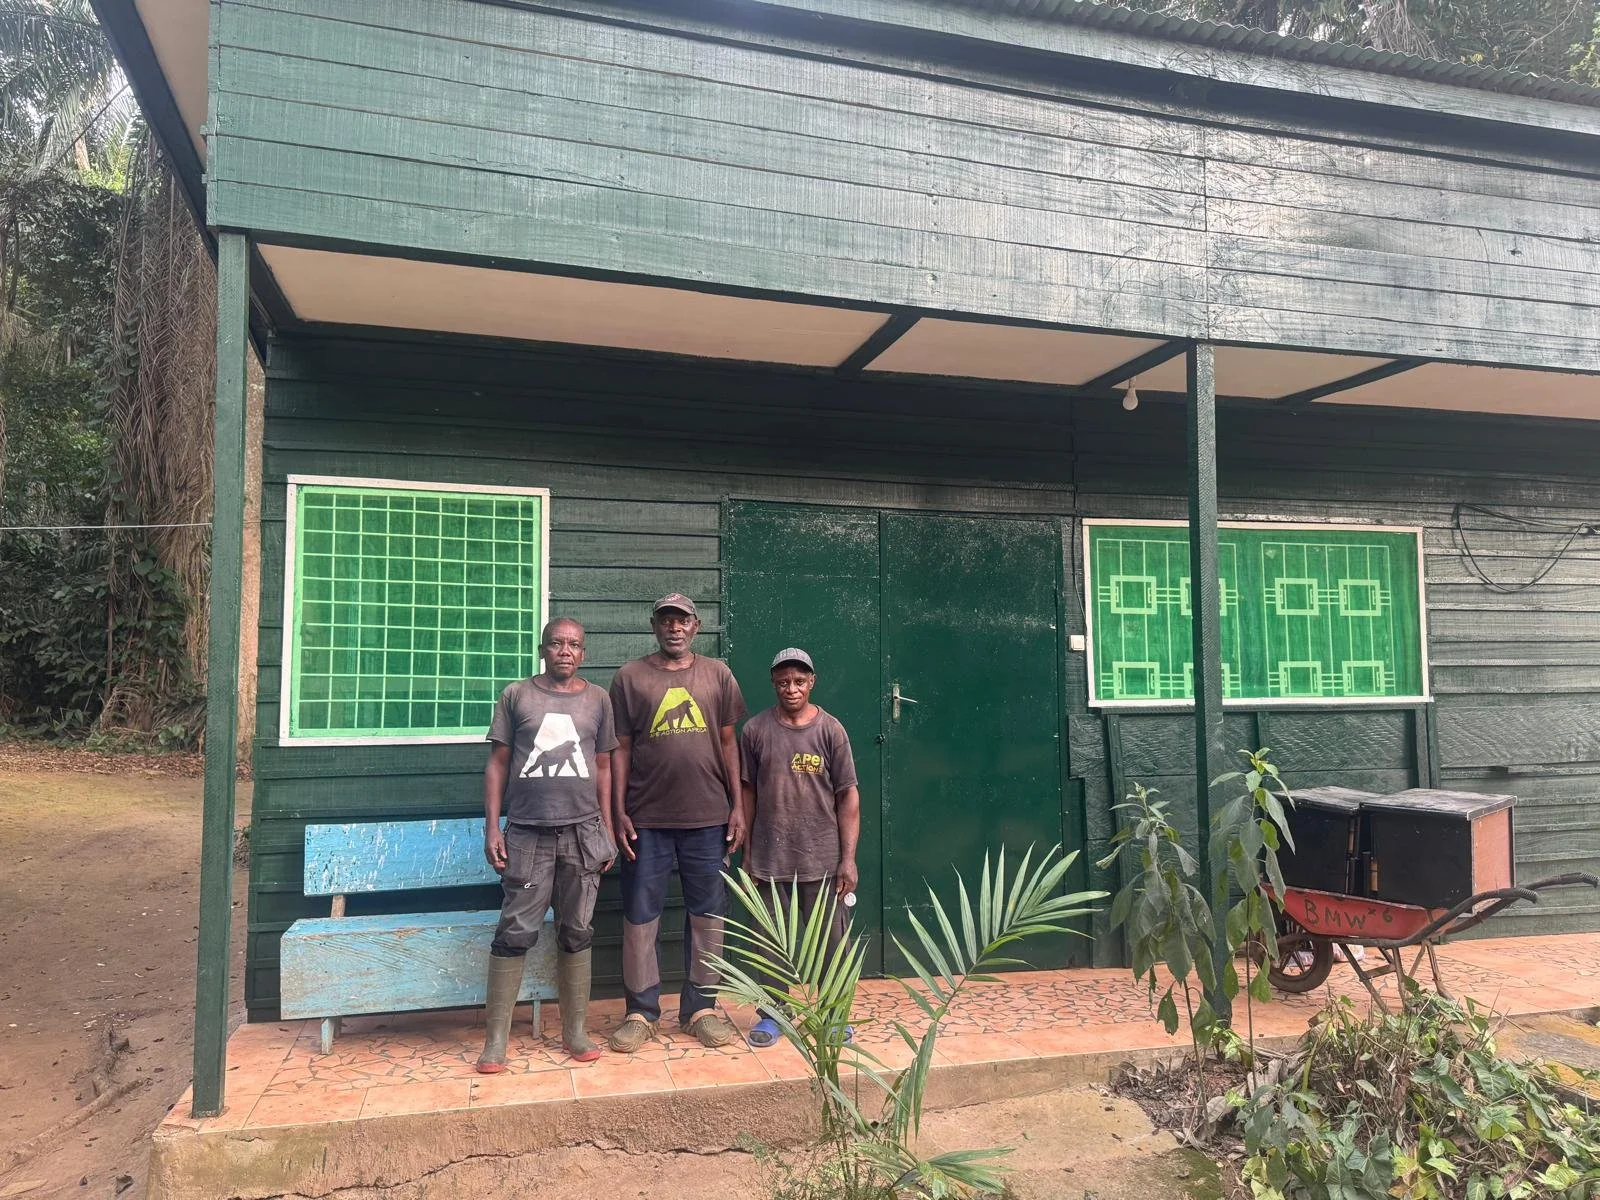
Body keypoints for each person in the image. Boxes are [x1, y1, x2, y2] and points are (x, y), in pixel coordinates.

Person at [607, 594, 748, 1051]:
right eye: (666, 620)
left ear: (696, 626)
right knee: (640, 916)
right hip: (646, 817)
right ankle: (641, 1011)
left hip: (708, 816)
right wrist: (619, 810)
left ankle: (701, 1008)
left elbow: (729, 743)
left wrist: (738, 805)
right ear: (654, 625)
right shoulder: (630, 677)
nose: (674, 628)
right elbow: (620, 749)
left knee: (708, 915)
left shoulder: (717, 674)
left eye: (682, 621)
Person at [477, 617, 618, 1073]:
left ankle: (575, 1031)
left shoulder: (598, 699)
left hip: (583, 834)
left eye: (574, 644)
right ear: (542, 649)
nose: (565, 651)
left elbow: (604, 768)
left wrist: (609, 829)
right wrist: (492, 828)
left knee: (577, 929)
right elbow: (497, 764)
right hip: (528, 833)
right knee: (515, 931)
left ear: (584, 653)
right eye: (556, 643)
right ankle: (495, 1040)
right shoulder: (516, 695)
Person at [736, 647, 860, 1048]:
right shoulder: (755, 731)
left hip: (822, 859)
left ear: (812, 683)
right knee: (770, 941)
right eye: (784, 682)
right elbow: (748, 793)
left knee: (830, 942)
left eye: (800, 681)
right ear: (774, 684)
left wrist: (848, 858)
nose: (792, 688)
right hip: (770, 859)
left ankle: (834, 1014)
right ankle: (774, 1014)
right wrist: (750, 855)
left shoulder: (831, 730)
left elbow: (849, 798)